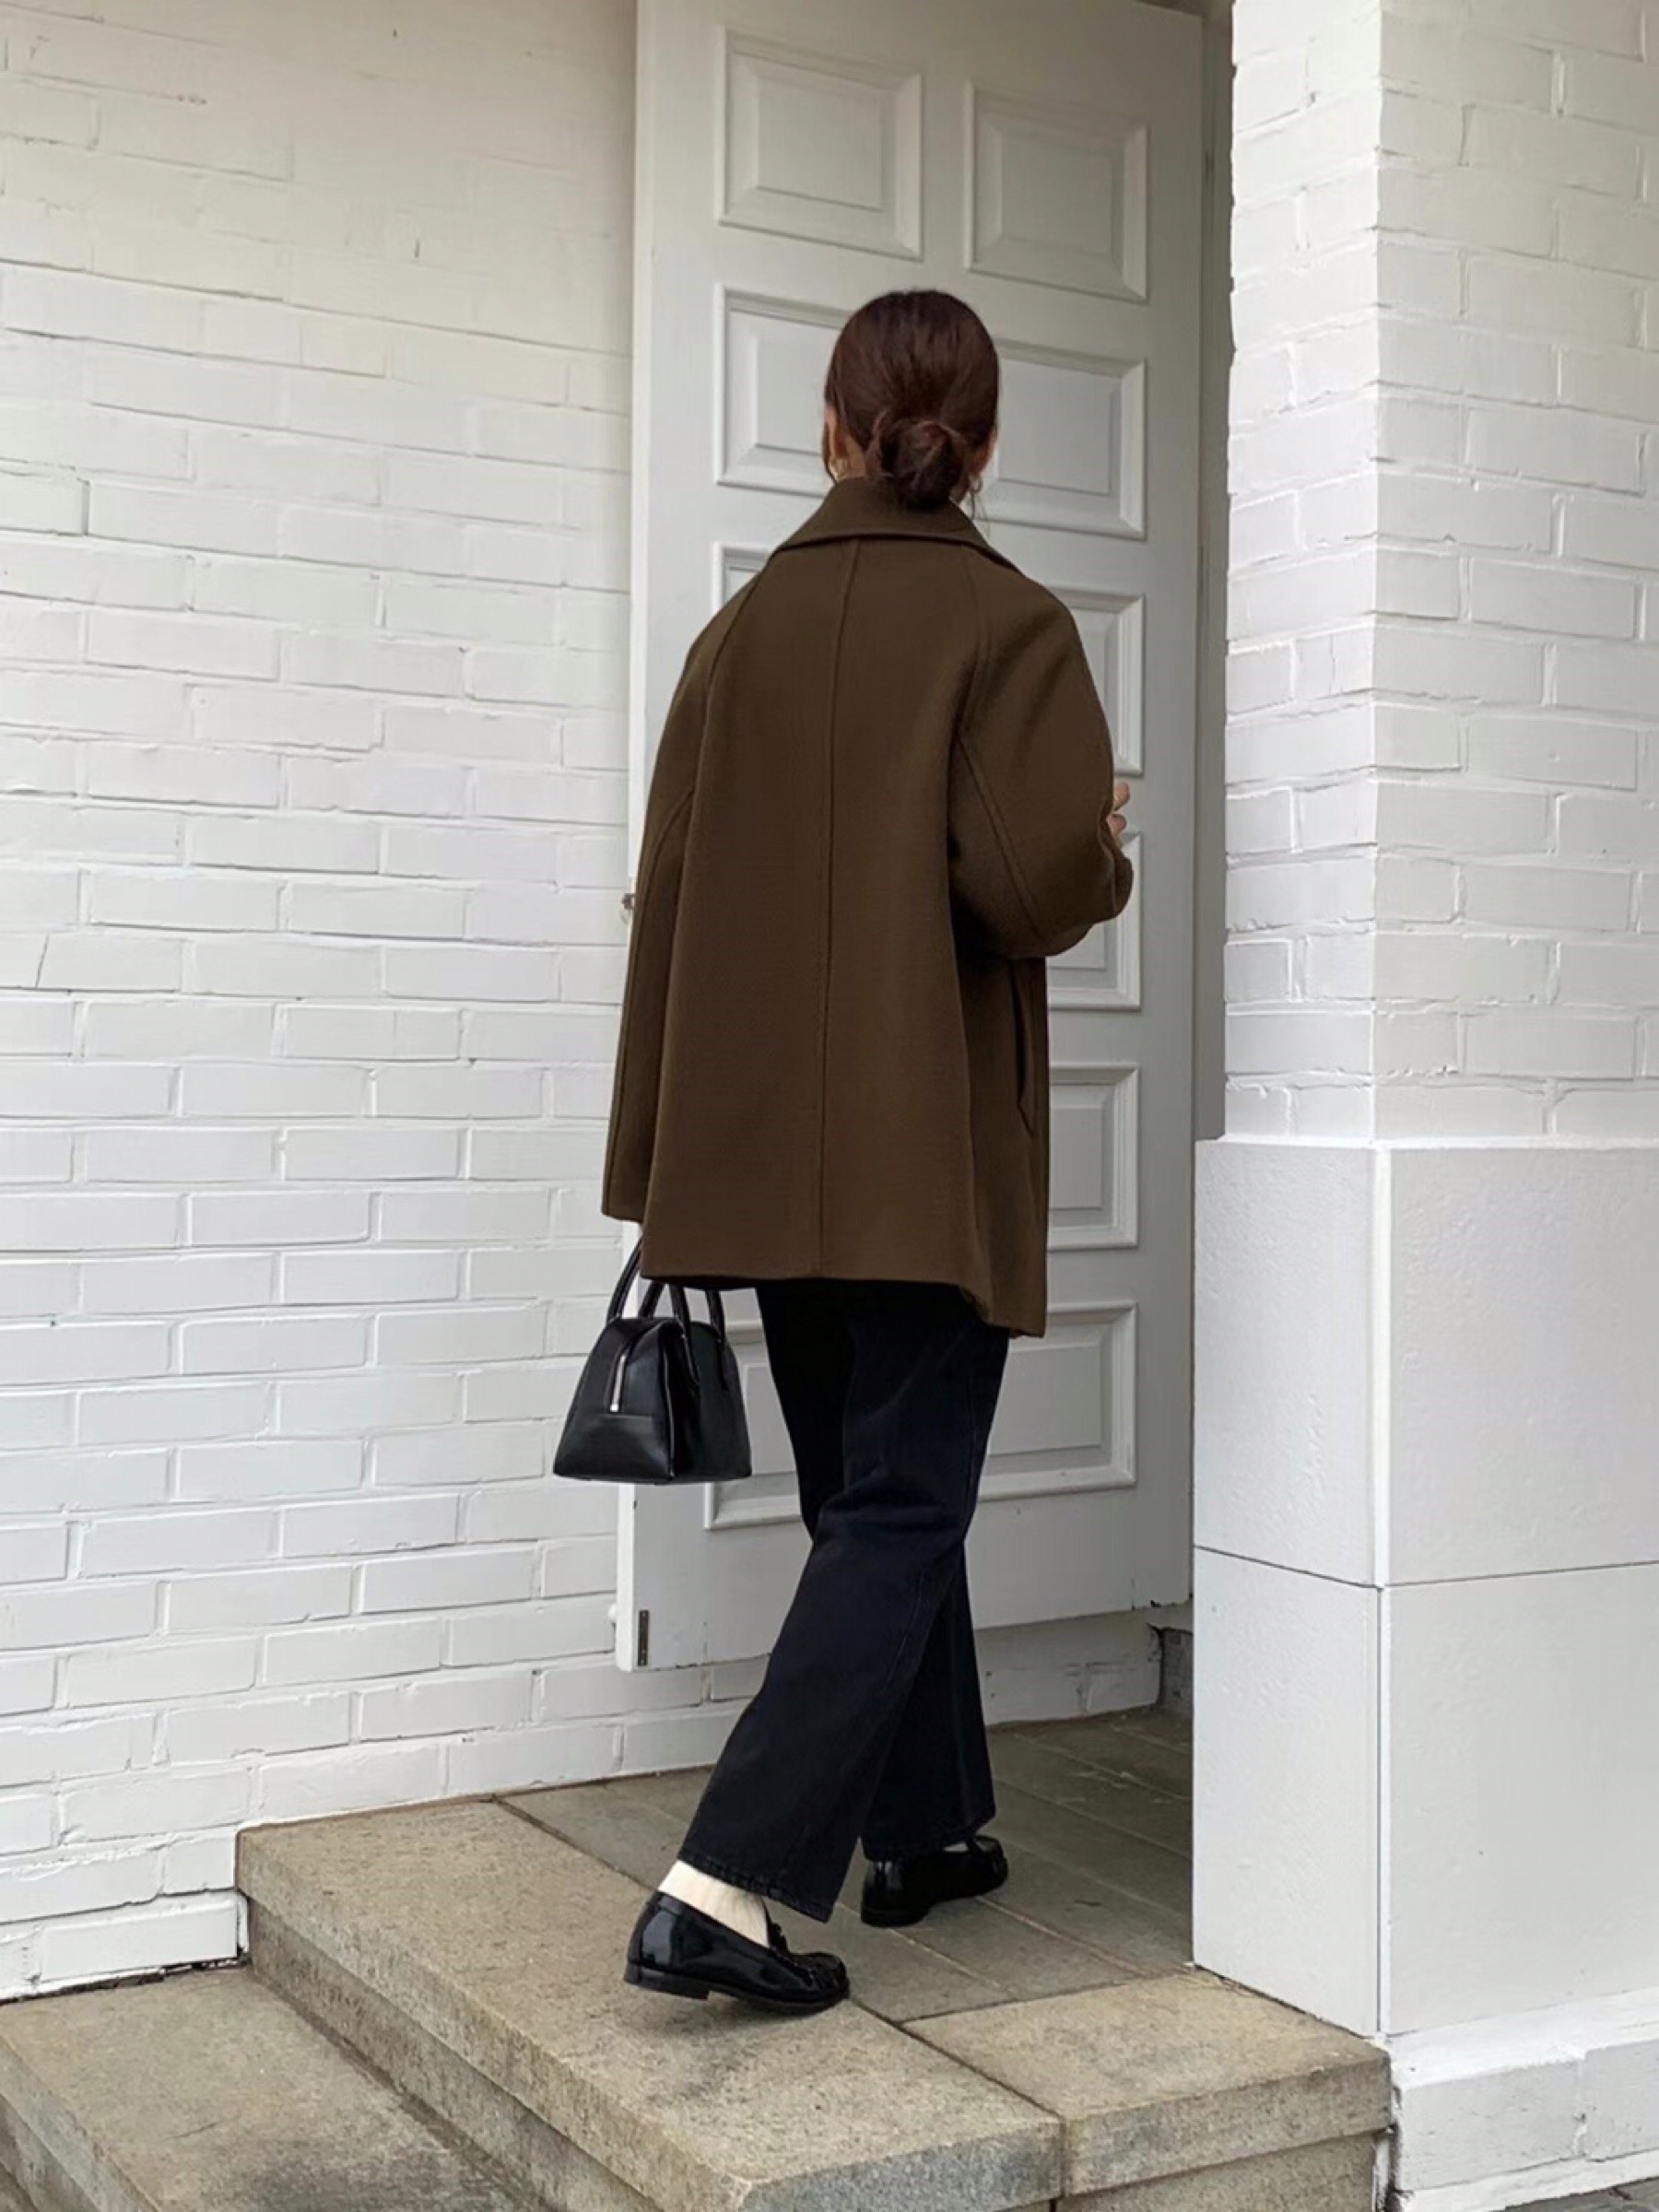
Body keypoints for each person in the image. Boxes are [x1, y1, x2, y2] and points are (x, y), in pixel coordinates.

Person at [604, 289, 1135, 2015]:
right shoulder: (1009, 622)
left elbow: (668, 896)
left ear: (833, 427)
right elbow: (1031, 885)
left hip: (767, 1155)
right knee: (903, 1507)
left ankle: (927, 1829)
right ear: (984, 442)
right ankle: (723, 1883)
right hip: (927, 1152)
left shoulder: (739, 631)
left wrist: (665, 1158)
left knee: (865, 1501)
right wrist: (1105, 844)